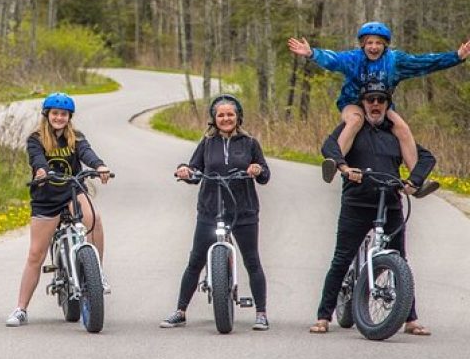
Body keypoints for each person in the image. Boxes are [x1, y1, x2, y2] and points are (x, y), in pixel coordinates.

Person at [310, 82, 434, 336]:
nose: (375, 104)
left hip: (390, 201)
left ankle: (410, 319)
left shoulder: (396, 133)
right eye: (370, 100)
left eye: (380, 100)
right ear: (363, 103)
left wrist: (414, 181)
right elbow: (329, 148)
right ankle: (324, 316)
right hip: (356, 201)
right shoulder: (353, 129)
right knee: (342, 258)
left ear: (387, 105)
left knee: (399, 259)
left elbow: (427, 157)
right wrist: (344, 168)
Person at [288, 22, 469, 178]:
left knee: (403, 128)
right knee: (355, 120)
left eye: (378, 43)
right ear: (363, 44)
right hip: (353, 103)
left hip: (381, 105)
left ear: (385, 45)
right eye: (369, 43)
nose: (373, 47)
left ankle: (415, 180)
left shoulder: (395, 61)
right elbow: (333, 59)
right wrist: (311, 53)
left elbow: (425, 62)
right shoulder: (353, 59)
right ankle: (336, 163)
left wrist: (456, 56)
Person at [161, 94, 271, 331]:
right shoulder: (207, 143)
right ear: (214, 118)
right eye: (221, 115)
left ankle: (261, 313)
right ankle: (180, 311)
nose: (226, 118)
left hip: (244, 211)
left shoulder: (250, 143)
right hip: (210, 210)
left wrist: (257, 169)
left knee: (252, 260)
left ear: (238, 117)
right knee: (195, 261)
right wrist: (185, 171)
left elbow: (265, 175)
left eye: (230, 114)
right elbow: (194, 169)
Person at [6, 92, 111, 327]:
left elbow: (87, 153)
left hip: (72, 190)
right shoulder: (36, 138)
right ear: (47, 115)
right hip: (46, 196)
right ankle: (21, 308)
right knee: (36, 254)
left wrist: (99, 165)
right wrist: (41, 171)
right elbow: (36, 159)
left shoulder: (76, 137)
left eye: (63, 114)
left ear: (69, 117)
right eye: (55, 113)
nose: (59, 117)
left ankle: (97, 274)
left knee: (94, 218)